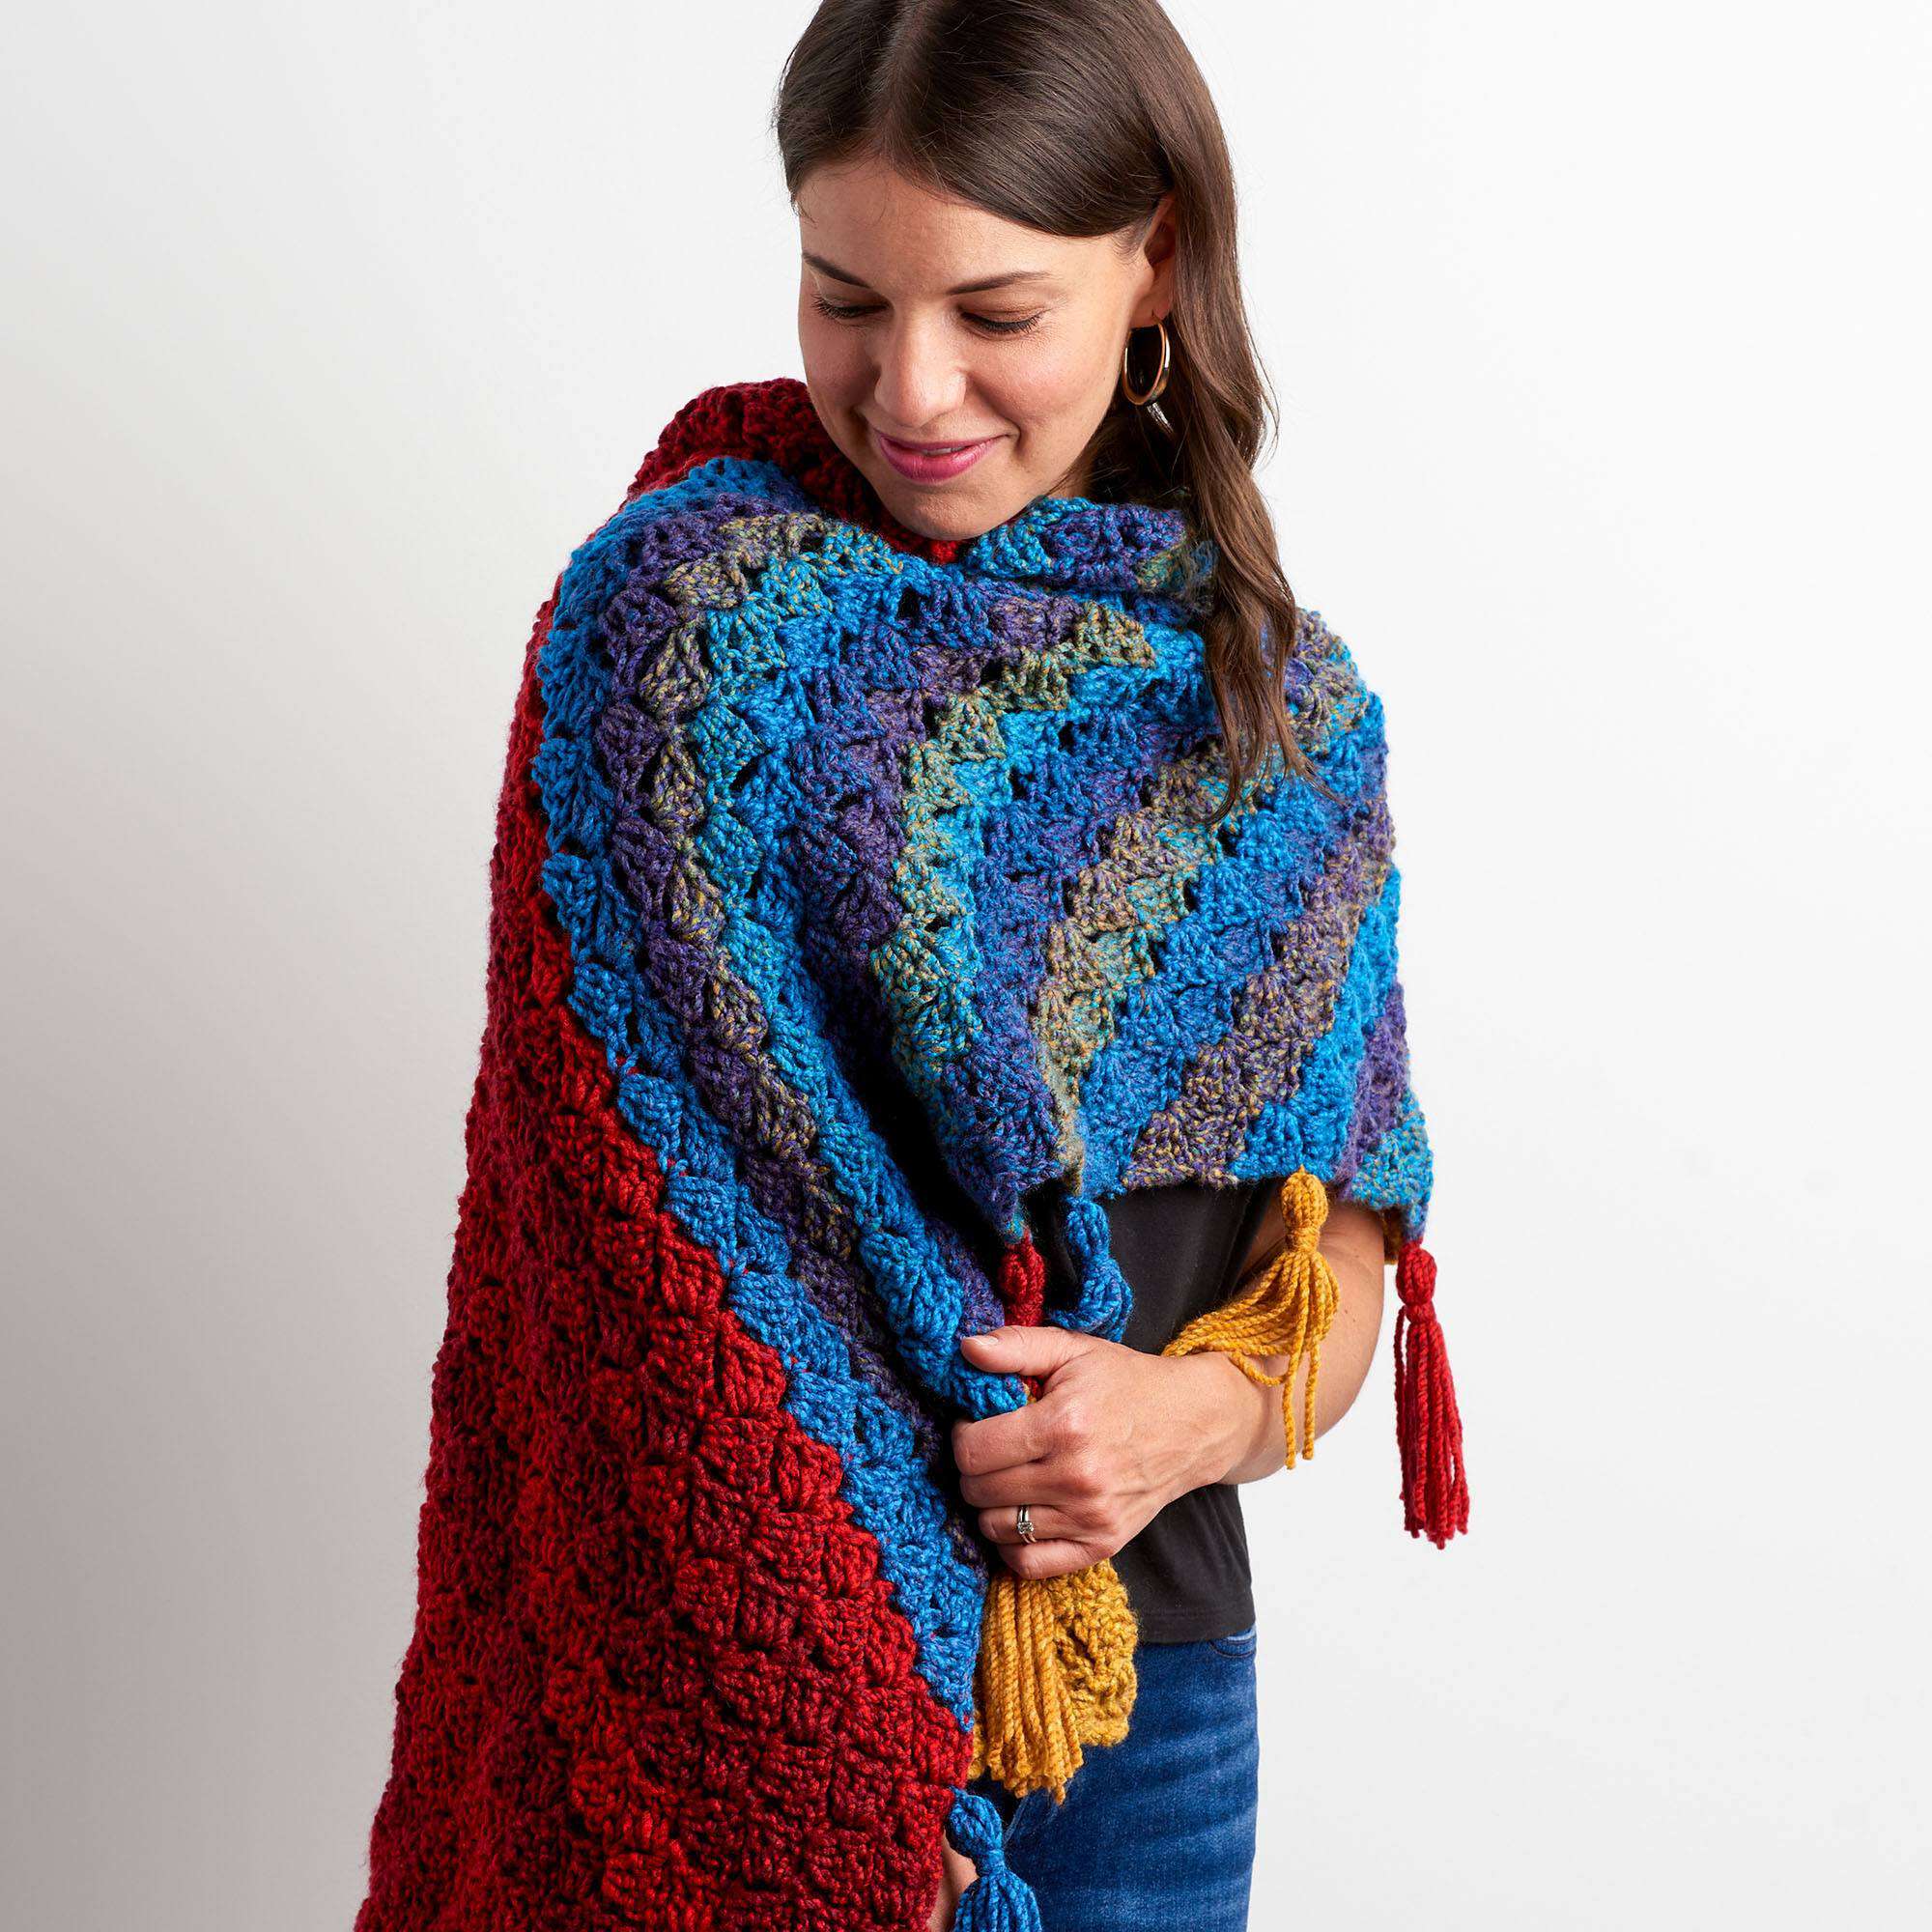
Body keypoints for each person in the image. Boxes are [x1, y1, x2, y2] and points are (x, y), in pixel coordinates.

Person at [773, 9, 1403, 1925]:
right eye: (845, 299)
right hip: (776, 1676)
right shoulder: (689, 656)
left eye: (995, 310)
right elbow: (607, 1256)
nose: (910, 385)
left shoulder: (1279, 723)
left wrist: (1178, 1425)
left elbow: (1346, 1262)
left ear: (1155, 264)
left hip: (1150, 1710)